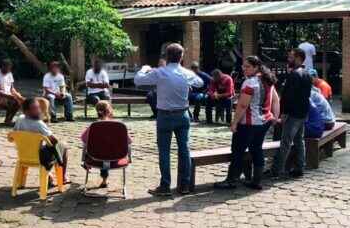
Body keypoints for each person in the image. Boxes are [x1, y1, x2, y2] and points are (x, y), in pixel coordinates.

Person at [134, 43, 203, 196]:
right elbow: (200, 82)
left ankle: (165, 186)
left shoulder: (160, 72)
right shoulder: (186, 73)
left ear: (166, 56)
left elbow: (138, 80)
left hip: (165, 115)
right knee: (184, 150)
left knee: (164, 151)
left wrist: (145, 68)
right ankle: (184, 185)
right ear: (182, 57)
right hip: (183, 114)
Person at [214, 57, 279, 191]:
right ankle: (256, 181)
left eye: (248, 66)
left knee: (237, 151)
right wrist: (275, 118)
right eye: (243, 66)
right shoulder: (268, 80)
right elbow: (275, 101)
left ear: (256, 67)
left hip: (249, 123)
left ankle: (231, 180)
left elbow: (243, 105)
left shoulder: (250, 83)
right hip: (264, 121)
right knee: (257, 149)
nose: (244, 69)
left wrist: (234, 123)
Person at [270, 48, 312, 178]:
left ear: (299, 58)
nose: (288, 59)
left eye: (291, 57)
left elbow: (289, 96)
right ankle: (300, 167)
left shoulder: (295, 75)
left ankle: (277, 170)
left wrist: (284, 113)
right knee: (299, 141)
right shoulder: (307, 74)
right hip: (302, 113)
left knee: (285, 142)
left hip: (293, 114)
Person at [13, 97, 69, 183]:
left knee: (46, 147)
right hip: (40, 157)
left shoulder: (19, 119)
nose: (39, 110)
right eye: (35, 108)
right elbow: (54, 141)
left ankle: (48, 174)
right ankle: (62, 177)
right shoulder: (39, 124)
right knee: (63, 146)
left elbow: (14, 134)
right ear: (26, 111)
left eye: (38, 107)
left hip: (23, 155)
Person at [80, 101, 132, 189]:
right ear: (110, 111)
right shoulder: (118, 126)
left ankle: (103, 179)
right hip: (116, 158)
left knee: (102, 152)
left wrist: (83, 158)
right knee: (108, 151)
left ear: (97, 112)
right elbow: (129, 142)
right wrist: (129, 157)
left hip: (96, 158)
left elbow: (84, 142)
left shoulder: (93, 126)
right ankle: (104, 180)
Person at [0, 60, 24, 125]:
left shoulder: (9, 74)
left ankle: (9, 119)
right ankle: (8, 121)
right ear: (2, 66)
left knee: (20, 101)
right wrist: (11, 97)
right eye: (7, 67)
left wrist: (17, 95)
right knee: (14, 102)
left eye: (9, 68)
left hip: (8, 95)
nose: (8, 69)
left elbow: (12, 88)